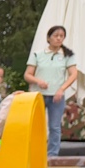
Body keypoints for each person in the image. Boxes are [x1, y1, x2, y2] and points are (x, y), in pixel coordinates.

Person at [26, 25, 78, 157]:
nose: (59, 38)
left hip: (57, 96)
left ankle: (52, 155)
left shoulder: (68, 55)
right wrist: (38, 81)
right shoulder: (37, 54)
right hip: (37, 95)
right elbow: (27, 75)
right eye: (56, 36)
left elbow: (73, 74)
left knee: (55, 126)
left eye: (62, 36)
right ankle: (34, 152)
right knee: (35, 125)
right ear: (48, 38)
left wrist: (61, 89)